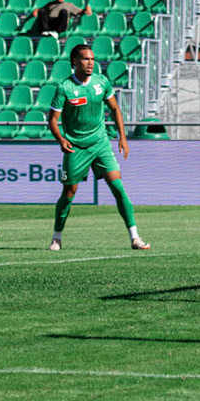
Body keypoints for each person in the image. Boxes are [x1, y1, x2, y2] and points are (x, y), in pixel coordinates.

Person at [46, 42, 148, 251]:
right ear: (75, 62)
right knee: (69, 193)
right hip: (76, 147)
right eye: (85, 59)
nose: (90, 63)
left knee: (118, 187)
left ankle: (135, 238)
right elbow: (52, 121)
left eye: (92, 59)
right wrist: (61, 140)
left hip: (100, 143)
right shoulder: (65, 88)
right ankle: (57, 237)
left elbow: (115, 109)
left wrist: (122, 137)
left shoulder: (102, 82)